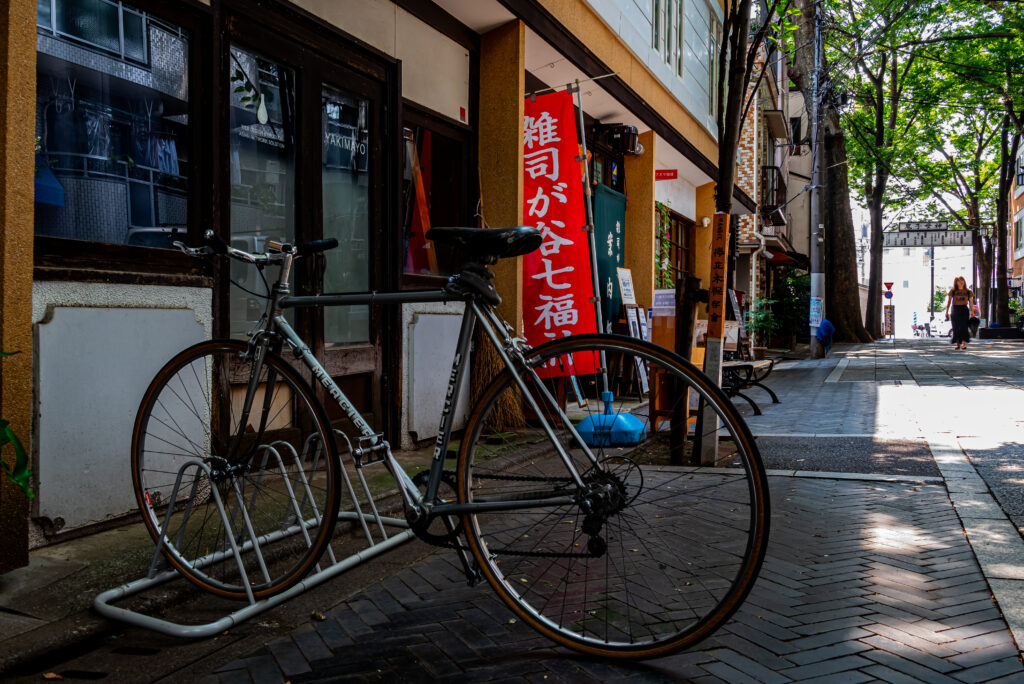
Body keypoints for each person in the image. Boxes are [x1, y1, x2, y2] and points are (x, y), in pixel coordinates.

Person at [944, 276, 974, 350]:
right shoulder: (953, 291)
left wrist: (972, 311)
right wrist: (947, 311)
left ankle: (963, 343)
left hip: (964, 309)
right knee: (956, 327)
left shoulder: (968, 291)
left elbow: (971, 302)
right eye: (959, 281)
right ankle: (958, 344)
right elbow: (949, 302)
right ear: (956, 282)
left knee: (964, 327)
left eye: (962, 280)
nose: (961, 282)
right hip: (955, 309)